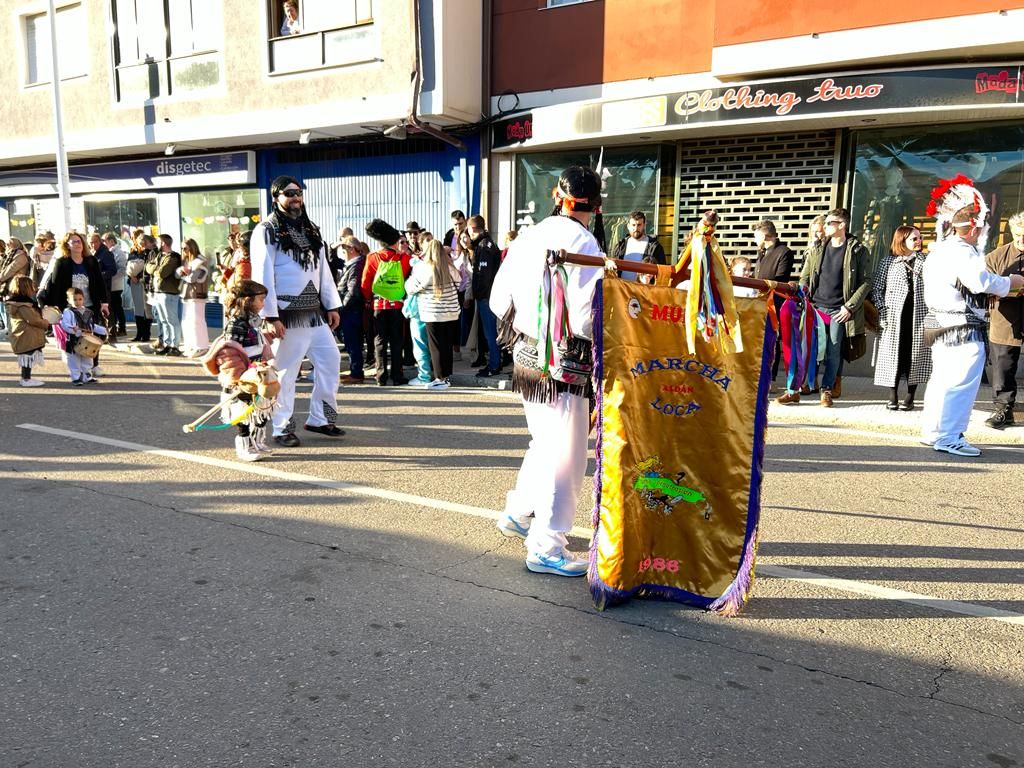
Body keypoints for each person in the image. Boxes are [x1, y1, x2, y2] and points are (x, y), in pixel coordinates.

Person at [490, 165, 606, 577]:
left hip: (526, 353)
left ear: (559, 196)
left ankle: (519, 512)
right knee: (565, 454)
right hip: (564, 359)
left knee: (544, 441)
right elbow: (586, 315)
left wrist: (527, 327)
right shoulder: (583, 240)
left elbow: (497, 298)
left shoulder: (531, 234)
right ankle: (546, 545)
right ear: (596, 204)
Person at [920, 177, 1024, 456]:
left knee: (941, 379)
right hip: (959, 323)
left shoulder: (939, 249)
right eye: (980, 227)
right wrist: (1011, 281)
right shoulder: (962, 251)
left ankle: (933, 431)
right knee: (960, 382)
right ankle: (950, 435)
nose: (981, 232)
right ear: (973, 228)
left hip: (939, 321)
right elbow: (979, 282)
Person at [250, 175, 344, 447]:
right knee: (284, 373)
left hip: (314, 312)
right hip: (286, 313)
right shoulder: (266, 230)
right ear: (276, 197)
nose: (295, 197)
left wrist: (332, 304)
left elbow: (323, 269)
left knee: (330, 361)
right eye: (289, 193)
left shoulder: (311, 228)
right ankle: (282, 427)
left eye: (298, 192)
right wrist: (270, 315)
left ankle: (320, 419)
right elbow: (263, 272)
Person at [795, 208, 870, 407]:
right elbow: (805, 275)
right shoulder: (817, 248)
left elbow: (866, 282)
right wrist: (803, 290)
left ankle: (826, 389)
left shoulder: (857, 250)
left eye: (829, 223)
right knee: (809, 348)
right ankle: (802, 384)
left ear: (842, 225)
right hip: (816, 307)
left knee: (833, 350)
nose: (825, 226)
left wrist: (850, 307)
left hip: (839, 310)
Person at [872, 225, 930, 411]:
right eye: (914, 238)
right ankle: (892, 395)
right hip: (894, 317)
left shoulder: (927, 261)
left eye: (920, 238)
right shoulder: (888, 262)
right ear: (902, 240)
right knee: (893, 355)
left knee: (916, 355)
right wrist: (883, 309)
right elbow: (877, 289)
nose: (919, 241)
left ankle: (910, 397)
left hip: (919, 316)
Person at [37, 231, 110, 378]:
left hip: (90, 305)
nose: (77, 244)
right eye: (73, 241)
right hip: (70, 308)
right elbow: (56, 286)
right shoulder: (62, 263)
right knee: (75, 338)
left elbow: (100, 283)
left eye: (79, 241)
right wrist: (59, 308)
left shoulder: (91, 261)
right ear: (67, 245)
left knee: (92, 336)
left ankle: (94, 365)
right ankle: (77, 371)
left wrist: (104, 303)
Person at [219, 279, 275, 461]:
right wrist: (237, 377)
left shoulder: (254, 321)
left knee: (263, 406)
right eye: (260, 299)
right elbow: (229, 352)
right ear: (247, 300)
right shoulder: (236, 323)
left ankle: (258, 441)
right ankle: (245, 446)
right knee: (243, 412)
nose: (263, 303)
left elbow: (257, 342)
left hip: (259, 371)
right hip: (243, 375)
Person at [983, 211, 1024, 430]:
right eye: (1018, 235)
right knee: (1002, 367)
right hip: (1004, 320)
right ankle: (1003, 410)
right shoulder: (997, 256)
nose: (1022, 240)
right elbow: (981, 286)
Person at [361, 218, 412, 386]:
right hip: (397, 305)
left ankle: (381, 376)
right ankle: (397, 375)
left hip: (378, 305)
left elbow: (365, 283)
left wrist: (368, 299)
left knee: (379, 341)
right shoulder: (403, 258)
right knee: (397, 340)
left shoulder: (373, 257)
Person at [405, 239, 461, 389]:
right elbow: (459, 282)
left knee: (435, 347)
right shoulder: (450, 268)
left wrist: (410, 279)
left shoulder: (424, 268)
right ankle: (446, 377)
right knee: (446, 346)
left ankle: (439, 378)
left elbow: (410, 288)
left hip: (433, 313)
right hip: (451, 312)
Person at [752, 220, 794, 390]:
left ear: (764, 234)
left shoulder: (784, 252)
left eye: (756, 235)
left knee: (773, 339)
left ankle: (772, 377)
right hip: (759, 301)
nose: (754, 239)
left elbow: (781, 277)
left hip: (775, 302)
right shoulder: (761, 253)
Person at [467, 215, 503, 377]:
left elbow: (484, 275)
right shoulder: (483, 245)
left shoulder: (485, 246)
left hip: (486, 297)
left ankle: (494, 365)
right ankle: (495, 362)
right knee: (489, 333)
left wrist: (479, 294)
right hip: (487, 295)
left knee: (490, 333)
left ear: (472, 228)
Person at [5, 274, 49, 387]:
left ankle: (26, 377)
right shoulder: (23, 305)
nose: (33, 290)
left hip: (23, 335)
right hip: (26, 336)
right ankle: (26, 379)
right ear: (26, 289)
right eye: (31, 287)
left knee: (27, 356)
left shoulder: (16, 303)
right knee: (27, 357)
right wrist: (45, 323)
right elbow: (33, 320)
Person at [336, 236, 366, 384]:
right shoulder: (353, 264)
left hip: (351, 311)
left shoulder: (356, 265)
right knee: (351, 342)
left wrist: (341, 308)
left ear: (352, 250)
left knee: (353, 342)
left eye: (344, 248)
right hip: (350, 310)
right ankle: (354, 371)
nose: (342, 252)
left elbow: (352, 291)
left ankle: (356, 373)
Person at [147, 234, 183, 356]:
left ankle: (175, 345)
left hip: (169, 293)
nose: (156, 244)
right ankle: (167, 344)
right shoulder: (160, 256)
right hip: (159, 292)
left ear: (163, 242)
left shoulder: (173, 257)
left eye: (158, 241)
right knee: (163, 320)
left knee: (172, 320)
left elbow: (163, 273)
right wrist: (155, 268)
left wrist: (154, 268)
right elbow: (147, 267)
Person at [60, 287, 101, 386]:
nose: (77, 302)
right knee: (74, 360)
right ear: (68, 300)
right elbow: (64, 324)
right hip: (73, 339)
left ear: (84, 299)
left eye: (80, 299)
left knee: (88, 358)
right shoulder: (68, 312)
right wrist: (72, 328)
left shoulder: (88, 312)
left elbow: (91, 326)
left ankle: (87, 376)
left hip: (86, 340)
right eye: (74, 299)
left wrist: (103, 330)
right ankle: (76, 377)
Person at [177, 238, 211, 357]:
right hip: (188, 295)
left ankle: (201, 346)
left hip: (197, 295)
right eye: (182, 248)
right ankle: (190, 345)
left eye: (185, 248)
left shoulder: (200, 261)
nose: (183, 251)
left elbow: (193, 278)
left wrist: (183, 274)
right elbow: (178, 274)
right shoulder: (187, 261)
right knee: (187, 322)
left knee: (197, 321)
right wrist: (182, 272)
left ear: (192, 248)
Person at [609, 210, 666, 279]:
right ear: (628, 226)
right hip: (622, 288)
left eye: (639, 225)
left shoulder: (655, 247)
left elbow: (662, 272)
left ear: (644, 225)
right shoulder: (620, 246)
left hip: (643, 288)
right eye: (633, 225)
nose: (636, 228)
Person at [127, 233, 156, 343]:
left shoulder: (149, 253)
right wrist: (131, 275)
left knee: (145, 309)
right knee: (138, 309)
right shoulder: (133, 252)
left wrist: (138, 277)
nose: (141, 244)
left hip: (144, 283)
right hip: (134, 283)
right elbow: (128, 265)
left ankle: (146, 334)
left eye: (143, 242)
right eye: (139, 242)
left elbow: (147, 268)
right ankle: (139, 333)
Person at [102, 232, 128, 339]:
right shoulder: (108, 252)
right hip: (110, 285)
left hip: (116, 285)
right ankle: (116, 327)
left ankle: (122, 328)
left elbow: (122, 270)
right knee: (112, 308)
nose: (104, 243)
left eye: (105, 241)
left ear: (111, 241)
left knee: (117, 307)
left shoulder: (119, 253)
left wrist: (111, 277)